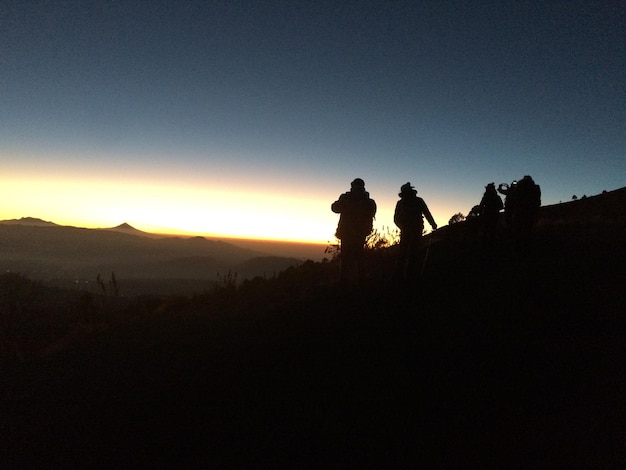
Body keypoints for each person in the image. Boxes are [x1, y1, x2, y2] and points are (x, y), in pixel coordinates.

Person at [331, 178, 377, 283]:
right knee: (358, 258)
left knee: (348, 259)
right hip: (357, 234)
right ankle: (358, 281)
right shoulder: (368, 201)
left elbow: (334, 208)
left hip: (349, 233)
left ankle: (345, 282)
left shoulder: (351, 199)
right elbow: (335, 208)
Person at [393, 182, 437, 280]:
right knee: (408, 252)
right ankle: (406, 275)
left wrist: (432, 223)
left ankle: (402, 275)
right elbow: (427, 213)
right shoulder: (416, 201)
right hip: (412, 230)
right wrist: (433, 224)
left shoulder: (404, 202)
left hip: (413, 230)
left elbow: (396, 219)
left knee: (406, 253)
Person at [508, 175, 541, 254]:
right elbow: (538, 201)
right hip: (530, 212)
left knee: (518, 231)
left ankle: (517, 249)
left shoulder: (519, 188)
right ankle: (527, 249)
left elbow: (512, 199)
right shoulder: (535, 188)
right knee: (528, 231)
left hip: (518, 212)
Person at [479, 182, 503, 247]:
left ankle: (484, 245)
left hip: (487, 215)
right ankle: (491, 244)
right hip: (494, 215)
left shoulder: (485, 197)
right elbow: (501, 206)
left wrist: (481, 213)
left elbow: (481, 206)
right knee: (493, 230)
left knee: (486, 230)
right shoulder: (497, 197)